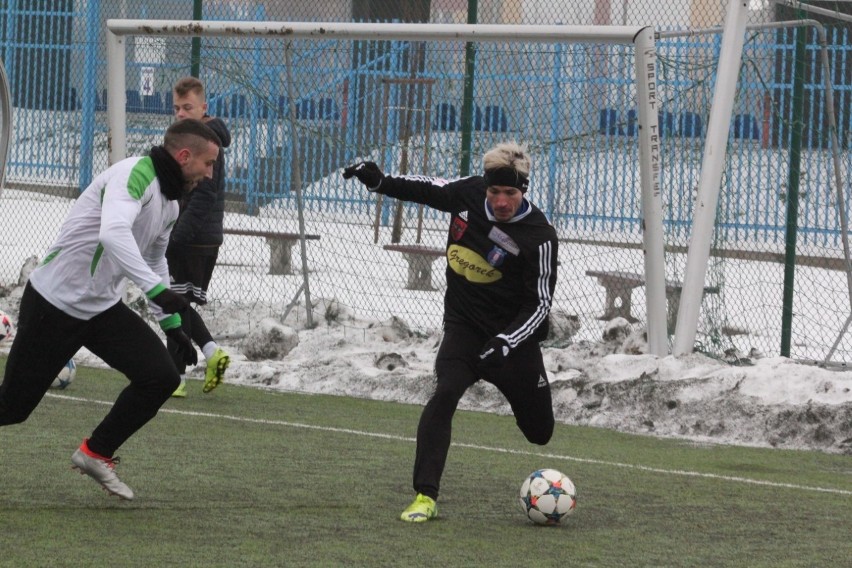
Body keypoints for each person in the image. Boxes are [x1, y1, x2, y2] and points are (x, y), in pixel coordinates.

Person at [0, 119, 221, 500]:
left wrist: (171, 325)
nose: (210, 173)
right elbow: (113, 233)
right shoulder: (134, 174)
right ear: (185, 156)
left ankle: (96, 452)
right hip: (54, 304)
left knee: (162, 377)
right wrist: (158, 292)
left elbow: (155, 260)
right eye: (208, 163)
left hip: (101, 309)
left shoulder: (169, 201)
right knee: (12, 407)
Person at [342, 141, 559, 522]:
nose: (501, 201)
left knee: (540, 433)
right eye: (495, 192)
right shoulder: (470, 193)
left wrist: (507, 342)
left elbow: (538, 305)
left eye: (510, 193)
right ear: (485, 188)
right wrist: (380, 182)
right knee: (443, 395)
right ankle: (425, 495)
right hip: (464, 328)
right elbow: (427, 189)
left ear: (524, 190)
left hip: (512, 342)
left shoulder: (539, 237)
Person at [166, 77, 232, 398]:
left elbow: (204, 197)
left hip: (193, 238)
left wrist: (177, 235)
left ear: (203, 108)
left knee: (170, 300)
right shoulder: (190, 141)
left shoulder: (206, 146)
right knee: (177, 301)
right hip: (198, 237)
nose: (181, 114)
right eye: (177, 108)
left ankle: (176, 376)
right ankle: (209, 354)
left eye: (187, 107)